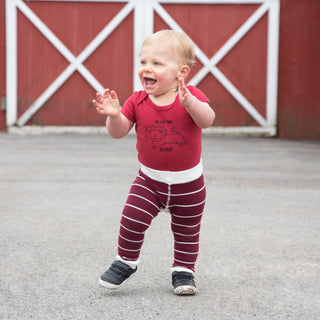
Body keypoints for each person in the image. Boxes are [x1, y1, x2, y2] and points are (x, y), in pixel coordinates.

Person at [92, 29, 215, 295]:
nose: (147, 68)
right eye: (144, 62)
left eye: (157, 63)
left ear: (181, 73)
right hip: (149, 180)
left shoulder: (190, 95)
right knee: (132, 217)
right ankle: (126, 261)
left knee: (187, 231)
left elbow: (207, 120)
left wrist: (191, 104)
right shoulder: (137, 100)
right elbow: (118, 132)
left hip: (189, 184)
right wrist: (114, 116)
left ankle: (183, 271)